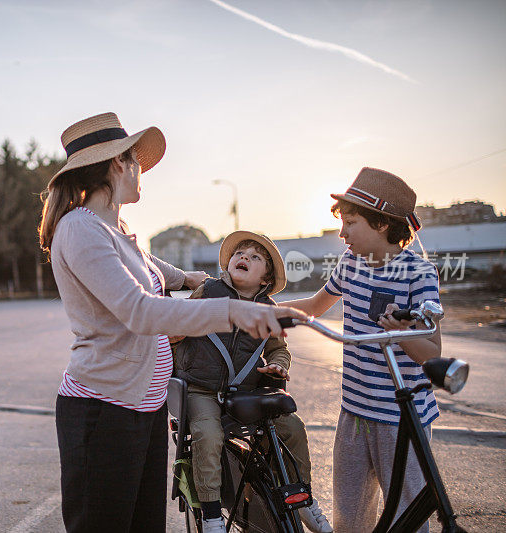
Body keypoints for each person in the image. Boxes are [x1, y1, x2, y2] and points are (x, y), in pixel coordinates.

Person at [38, 112, 306, 533]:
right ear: (117, 164)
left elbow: (148, 266)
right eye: (136, 162)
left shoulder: (115, 228)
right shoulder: (79, 230)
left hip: (143, 407)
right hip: (102, 410)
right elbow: (140, 310)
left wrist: (191, 279)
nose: (141, 172)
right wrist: (233, 310)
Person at [281, 167, 442, 532]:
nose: (342, 233)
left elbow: (432, 353)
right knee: (350, 516)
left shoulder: (419, 273)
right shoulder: (351, 264)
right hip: (353, 412)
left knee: (408, 517)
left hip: (402, 419)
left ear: (382, 224)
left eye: (351, 223)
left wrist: (401, 333)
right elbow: (315, 306)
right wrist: (258, 310)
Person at [171, 230, 332, 533]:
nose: (243, 257)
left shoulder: (267, 308)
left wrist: (277, 366)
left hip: (245, 391)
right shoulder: (208, 290)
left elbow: (278, 348)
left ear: (265, 279)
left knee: (293, 427)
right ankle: (211, 516)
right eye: (239, 253)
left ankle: (304, 498)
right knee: (207, 433)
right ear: (229, 263)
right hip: (200, 387)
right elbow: (178, 325)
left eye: (254, 257)